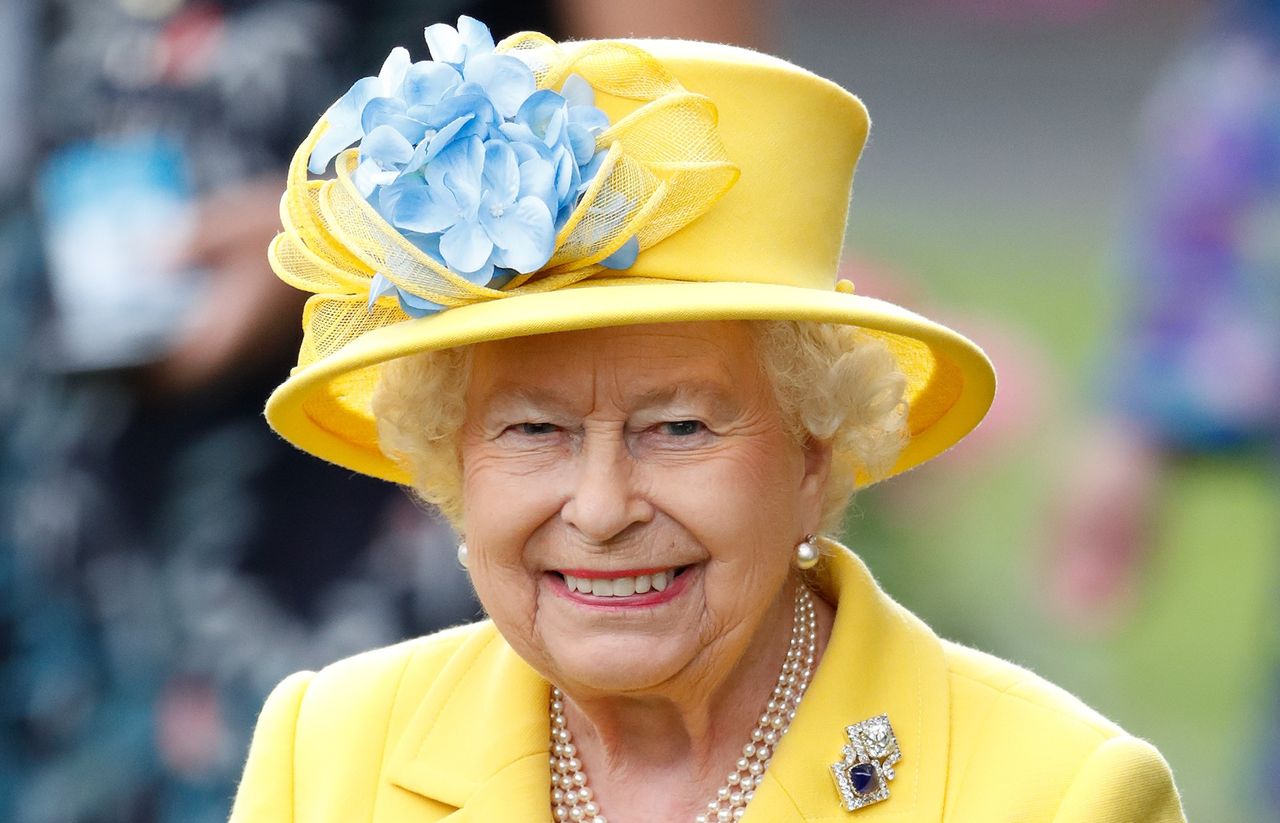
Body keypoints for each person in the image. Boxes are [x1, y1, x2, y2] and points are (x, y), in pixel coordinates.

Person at [229, 16, 1187, 822]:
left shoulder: (1058, 794)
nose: (601, 509)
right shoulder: (326, 760)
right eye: (534, 431)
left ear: (817, 454)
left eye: (678, 427)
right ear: (452, 461)